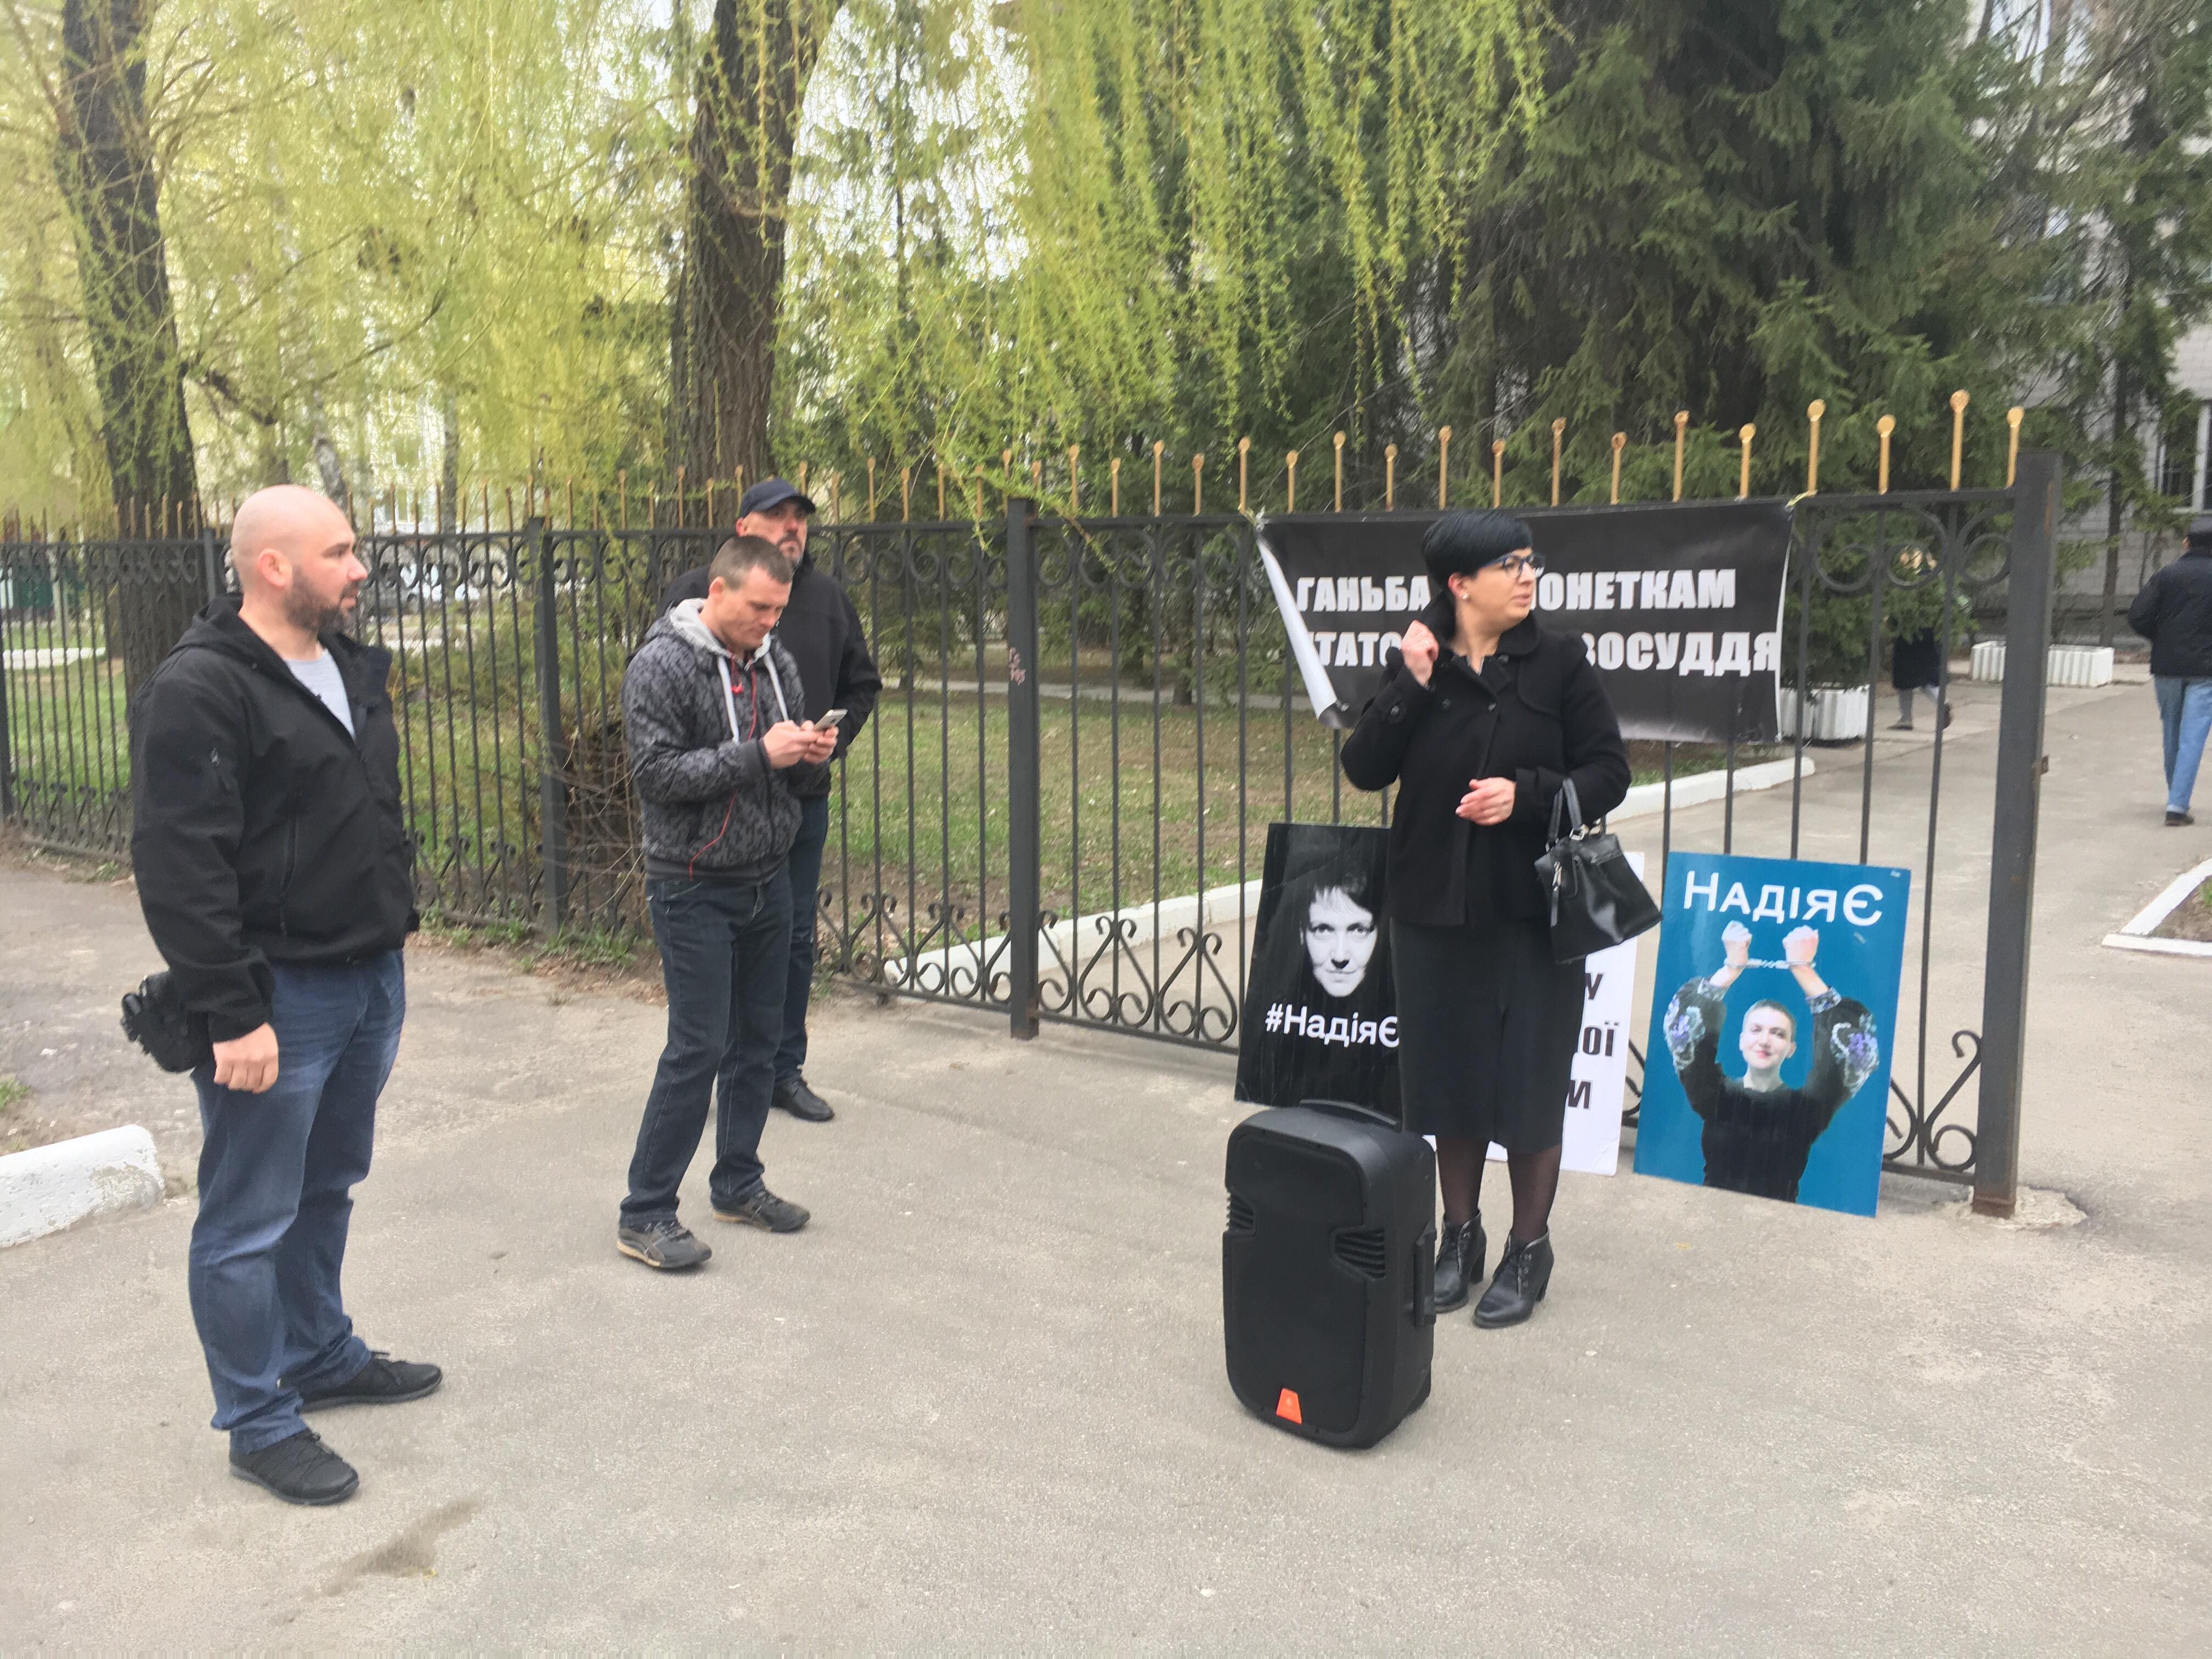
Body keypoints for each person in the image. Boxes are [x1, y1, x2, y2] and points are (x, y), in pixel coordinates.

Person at [129, 484, 437, 1508]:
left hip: (368, 975)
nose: (360, 568)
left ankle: (319, 1352)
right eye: (340, 551)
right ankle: (258, 1420)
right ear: (273, 565)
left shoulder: (343, 664)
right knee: (248, 1215)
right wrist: (233, 1011)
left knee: (328, 1182)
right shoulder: (202, 686)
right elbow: (181, 863)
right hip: (279, 997)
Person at [1341, 509, 1630, 1329]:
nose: (1528, 577)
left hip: (1535, 914)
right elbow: (1364, 768)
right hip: (1434, 908)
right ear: (1460, 584)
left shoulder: (1560, 661)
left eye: (1531, 562)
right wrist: (1409, 685)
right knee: (1450, 1082)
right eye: (1511, 565)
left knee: (1532, 1081)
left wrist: (1527, 795)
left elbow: (1610, 771)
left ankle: (1528, 1249)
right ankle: (1458, 1238)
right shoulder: (1417, 660)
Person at [617, 534, 838, 1271]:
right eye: (759, 608)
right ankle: (645, 1211)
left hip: (768, 875)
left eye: (779, 610)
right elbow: (656, 774)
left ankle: (739, 1182)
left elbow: (783, 770)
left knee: (757, 1041)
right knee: (698, 1047)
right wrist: (758, 755)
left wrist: (808, 755)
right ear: (717, 592)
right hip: (693, 882)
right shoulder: (661, 664)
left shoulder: (775, 661)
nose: (770, 623)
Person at [663, 478, 881, 1121]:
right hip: (720, 806)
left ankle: (781, 1070)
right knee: (719, 944)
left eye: (800, 518)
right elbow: (667, 698)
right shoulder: (696, 592)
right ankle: (709, 1065)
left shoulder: (827, 599)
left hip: (799, 800)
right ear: (742, 529)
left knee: (791, 940)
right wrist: (742, 755)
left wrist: (830, 742)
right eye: (777, 516)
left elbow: (862, 683)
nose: (792, 527)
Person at [1660, 921, 1880, 1203]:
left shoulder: (1807, 1111)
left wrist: (1804, 969)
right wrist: (1730, 969)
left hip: (1779, 1222)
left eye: (1778, 1034)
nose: (1764, 1041)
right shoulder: (1713, 1096)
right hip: (1711, 1213)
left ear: (1791, 1049)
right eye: (1756, 1030)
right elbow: (1683, 1032)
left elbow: (1855, 1053)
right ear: (1741, 1041)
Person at [1234, 854, 1398, 1114]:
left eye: (1359, 930)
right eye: (1323, 930)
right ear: (1302, 934)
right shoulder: (1278, 1044)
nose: (1340, 956)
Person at [2126, 515, 2212, 826]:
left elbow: (2138, 616)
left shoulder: (2167, 575)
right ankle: (2177, 805)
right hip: (2206, 670)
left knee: (2172, 731)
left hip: (2167, 667)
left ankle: (2176, 797)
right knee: (2193, 737)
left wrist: (2162, 638)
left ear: (2187, 543)